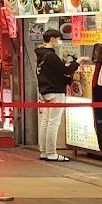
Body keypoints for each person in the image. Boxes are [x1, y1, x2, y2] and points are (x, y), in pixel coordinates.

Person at [36, 28, 79, 162]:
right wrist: (78, 62)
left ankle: (44, 151)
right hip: (55, 91)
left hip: (45, 91)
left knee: (46, 122)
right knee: (53, 123)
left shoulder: (41, 55)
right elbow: (65, 70)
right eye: (58, 39)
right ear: (53, 39)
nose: (59, 41)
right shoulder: (50, 55)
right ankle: (51, 152)